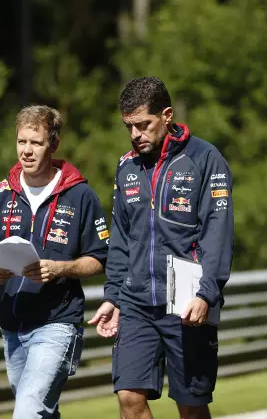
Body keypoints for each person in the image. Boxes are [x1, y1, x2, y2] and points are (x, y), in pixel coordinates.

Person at [88, 77, 234, 419]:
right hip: (137, 301)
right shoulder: (126, 167)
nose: (136, 134)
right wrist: (113, 296)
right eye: (129, 127)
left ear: (166, 116)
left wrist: (206, 291)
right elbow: (121, 238)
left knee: (191, 405)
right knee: (128, 397)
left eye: (144, 124)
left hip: (188, 298)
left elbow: (218, 232)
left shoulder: (206, 159)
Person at [0, 105, 109, 419]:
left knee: (27, 412)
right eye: (22, 142)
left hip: (57, 323)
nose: (27, 151)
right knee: (40, 413)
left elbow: (99, 258)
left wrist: (61, 268)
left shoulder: (81, 196)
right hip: (12, 326)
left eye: (36, 142)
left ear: (54, 144)